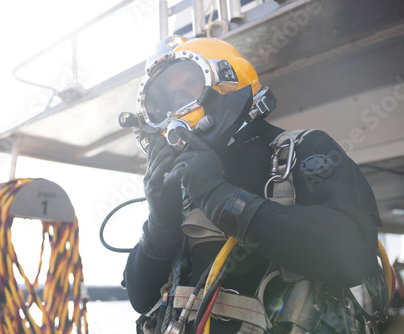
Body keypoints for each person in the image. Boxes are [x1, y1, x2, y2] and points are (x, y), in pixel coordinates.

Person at [122, 36, 386, 334]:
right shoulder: (186, 184)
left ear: (228, 77)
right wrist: (160, 222)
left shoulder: (303, 149)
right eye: (165, 100)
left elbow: (355, 256)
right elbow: (141, 298)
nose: (176, 105)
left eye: (189, 84)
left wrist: (223, 200)